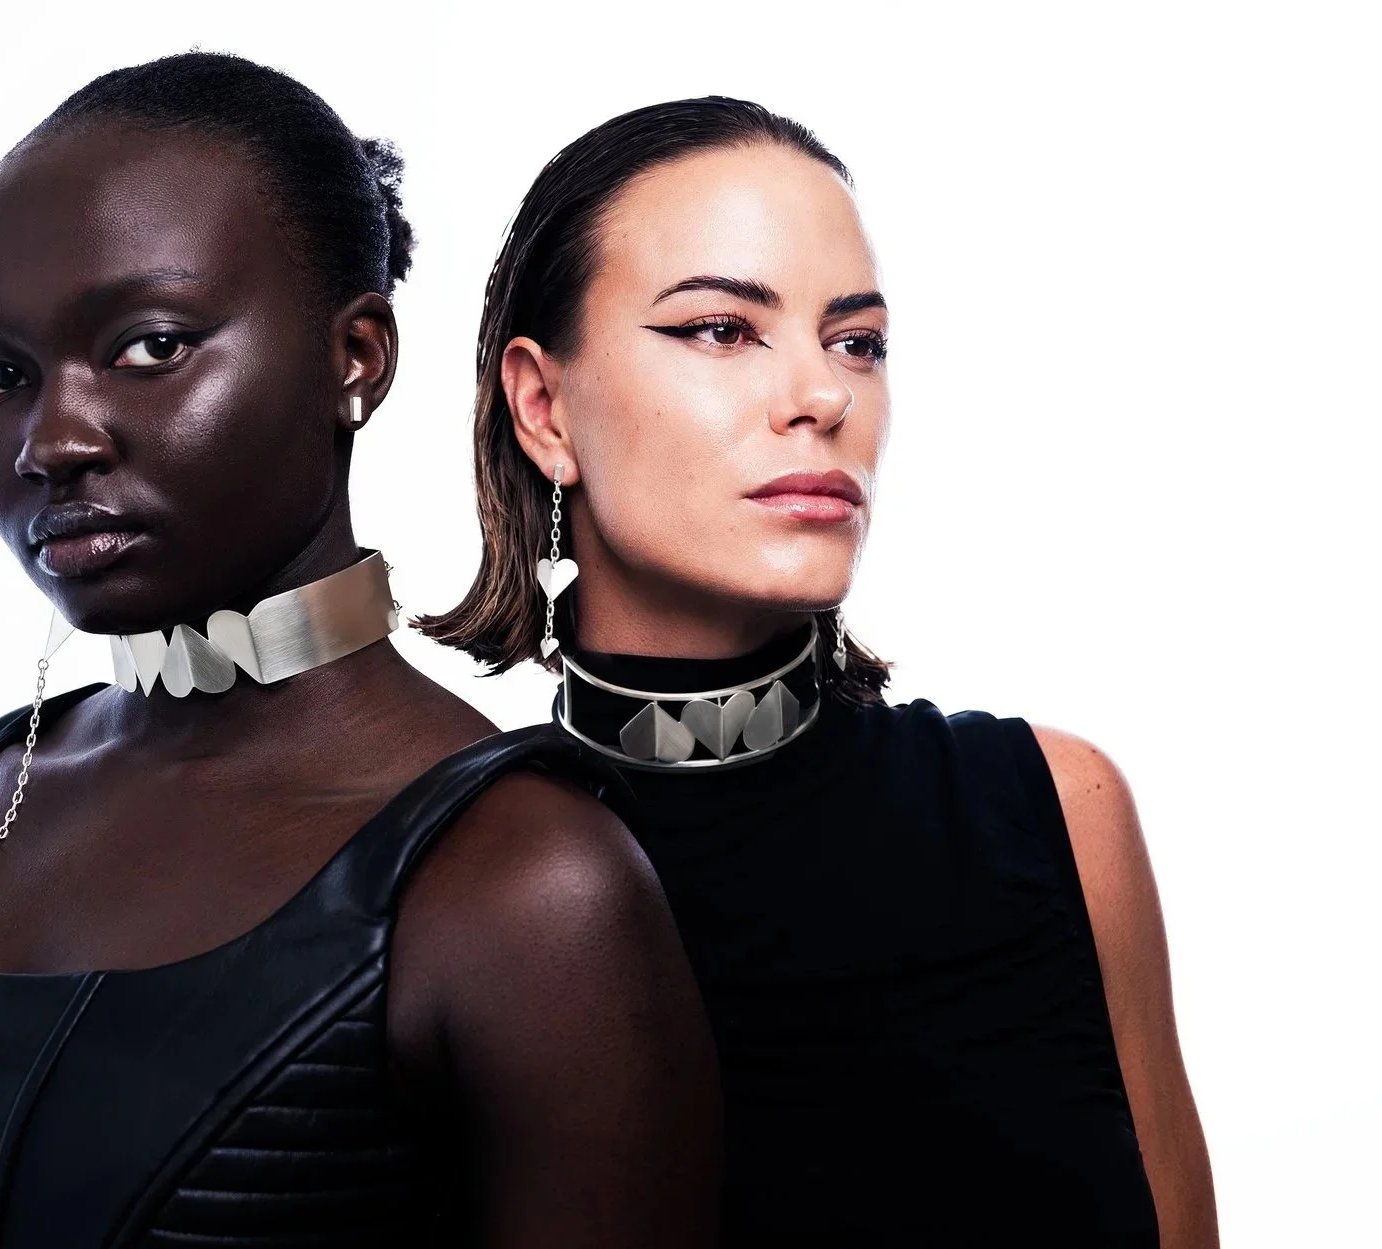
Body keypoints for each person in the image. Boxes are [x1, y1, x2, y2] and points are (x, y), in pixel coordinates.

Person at [0, 54, 717, 1249]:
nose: (51, 441)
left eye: (149, 347)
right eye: (0, 374)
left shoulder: (522, 884)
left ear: (357, 356)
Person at [420, 97, 1219, 1247]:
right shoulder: (437, 881)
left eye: (857, 342)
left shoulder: (1058, 809)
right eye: (720, 329)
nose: (824, 396)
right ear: (544, 409)